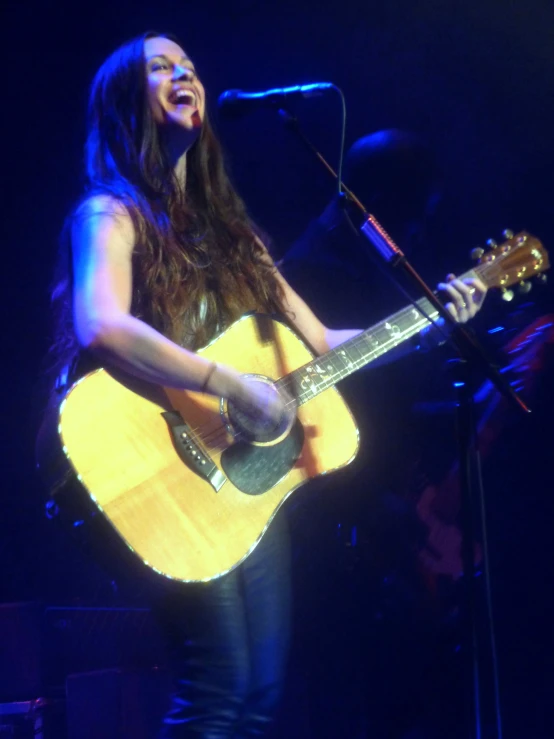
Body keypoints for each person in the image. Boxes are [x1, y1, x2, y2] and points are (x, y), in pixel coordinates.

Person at [42, 33, 487, 739]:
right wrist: (228, 383)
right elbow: (101, 324)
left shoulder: (238, 239)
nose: (183, 74)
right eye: (160, 67)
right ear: (125, 100)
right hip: (164, 468)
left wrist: (432, 321)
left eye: (189, 65)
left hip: (240, 481)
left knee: (259, 695)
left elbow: (325, 344)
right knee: (218, 687)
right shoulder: (109, 214)